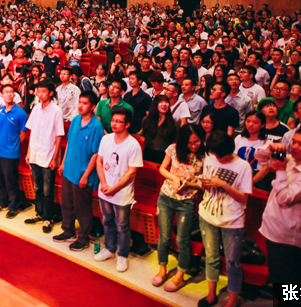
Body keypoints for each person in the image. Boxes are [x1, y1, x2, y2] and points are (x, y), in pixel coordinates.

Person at [259, 127, 301, 289]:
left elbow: (284, 199)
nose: (294, 146)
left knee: (288, 285)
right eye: (293, 142)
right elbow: (260, 157)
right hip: (274, 231)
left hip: (287, 238)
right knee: (279, 280)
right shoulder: (291, 160)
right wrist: (270, 147)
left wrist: (280, 170)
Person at [195, 131, 252, 307]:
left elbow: (244, 197)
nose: (218, 159)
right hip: (207, 215)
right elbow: (203, 187)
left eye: (221, 156)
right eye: (215, 155)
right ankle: (211, 294)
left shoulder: (243, 167)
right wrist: (203, 182)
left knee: (232, 262)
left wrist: (223, 185)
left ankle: (232, 300)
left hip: (232, 221)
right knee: (210, 257)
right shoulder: (210, 159)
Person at [152, 125, 205, 293]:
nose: (193, 145)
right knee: (164, 237)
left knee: (182, 240)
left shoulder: (205, 156)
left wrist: (189, 184)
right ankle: (162, 269)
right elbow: (162, 168)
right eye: (189, 143)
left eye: (196, 141)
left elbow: (204, 184)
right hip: (166, 196)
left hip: (187, 201)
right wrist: (174, 177)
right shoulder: (173, 149)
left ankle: (180, 276)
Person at [54, 90, 103, 252]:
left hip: (83, 173)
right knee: (66, 202)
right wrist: (63, 163)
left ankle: (83, 238)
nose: (80, 106)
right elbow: (69, 142)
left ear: (93, 106)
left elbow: (96, 154)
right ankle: (68, 230)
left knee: (82, 207)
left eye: (85, 103)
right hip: (69, 169)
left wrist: (86, 175)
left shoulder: (96, 126)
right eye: (79, 102)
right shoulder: (76, 120)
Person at [94, 107, 141, 273]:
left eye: (119, 121)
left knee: (122, 225)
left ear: (127, 124)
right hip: (105, 188)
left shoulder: (133, 145)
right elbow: (99, 161)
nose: (114, 124)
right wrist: (103, 183)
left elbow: (132, 172)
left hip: (121, 192)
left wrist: (115, 188)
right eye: (113, 120)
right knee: (107, 220)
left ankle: (122, 254)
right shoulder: (106, 139)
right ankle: (109, 248)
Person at [24, 81, 64, 232]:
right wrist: (29, 152)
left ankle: (48, 218)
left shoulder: (56, 111)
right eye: (38, 91)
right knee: (37, 187)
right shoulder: (36, 108)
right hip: (35, 152)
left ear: (51, 93)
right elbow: (32, 132)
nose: (39, 94)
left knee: (48, 190)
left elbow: (59, 136)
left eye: (43, 91)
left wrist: (55, 158)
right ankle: (38, 213)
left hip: (48, 154)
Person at [0, 84, 29, 218]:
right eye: (6, 92)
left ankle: (14, 206)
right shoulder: (0, 111)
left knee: (11, 181)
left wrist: (14, 146)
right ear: (1, 95)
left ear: (14, 95)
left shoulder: (21, 113)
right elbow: (0, 129)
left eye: (11, 92)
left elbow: (23, 133)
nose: (8, 94)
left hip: (11, 153)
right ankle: (2, 202)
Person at [143, 95, 179, 164]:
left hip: (164, 155)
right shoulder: (146, 120)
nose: (164, 104)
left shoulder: (174, 124)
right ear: (155, 104)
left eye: (166, 102)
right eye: (161, 102)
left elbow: (175, 143)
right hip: (147, 153)